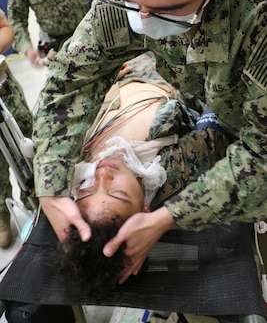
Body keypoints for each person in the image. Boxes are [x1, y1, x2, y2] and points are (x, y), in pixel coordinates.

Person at [33, 0, 267, 284]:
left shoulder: (259, 13)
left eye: (168, 8)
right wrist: (49, 185)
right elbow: (70, 80)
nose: (141, 19)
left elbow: (262, 157)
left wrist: (170, 217)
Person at [59, 52, 231, 297]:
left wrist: (103, 75)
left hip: (123, 69)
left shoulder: (65, 168)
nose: (102, 175)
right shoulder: (178, 169)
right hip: (173, 66)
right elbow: (220, 108)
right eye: (117, 192)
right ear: (144, 211)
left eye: (87, 189)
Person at [0, 8, 32, 247]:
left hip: (5, 92)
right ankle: (2, 211)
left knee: (26, 144)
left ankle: (34, 198)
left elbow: (5, 27)